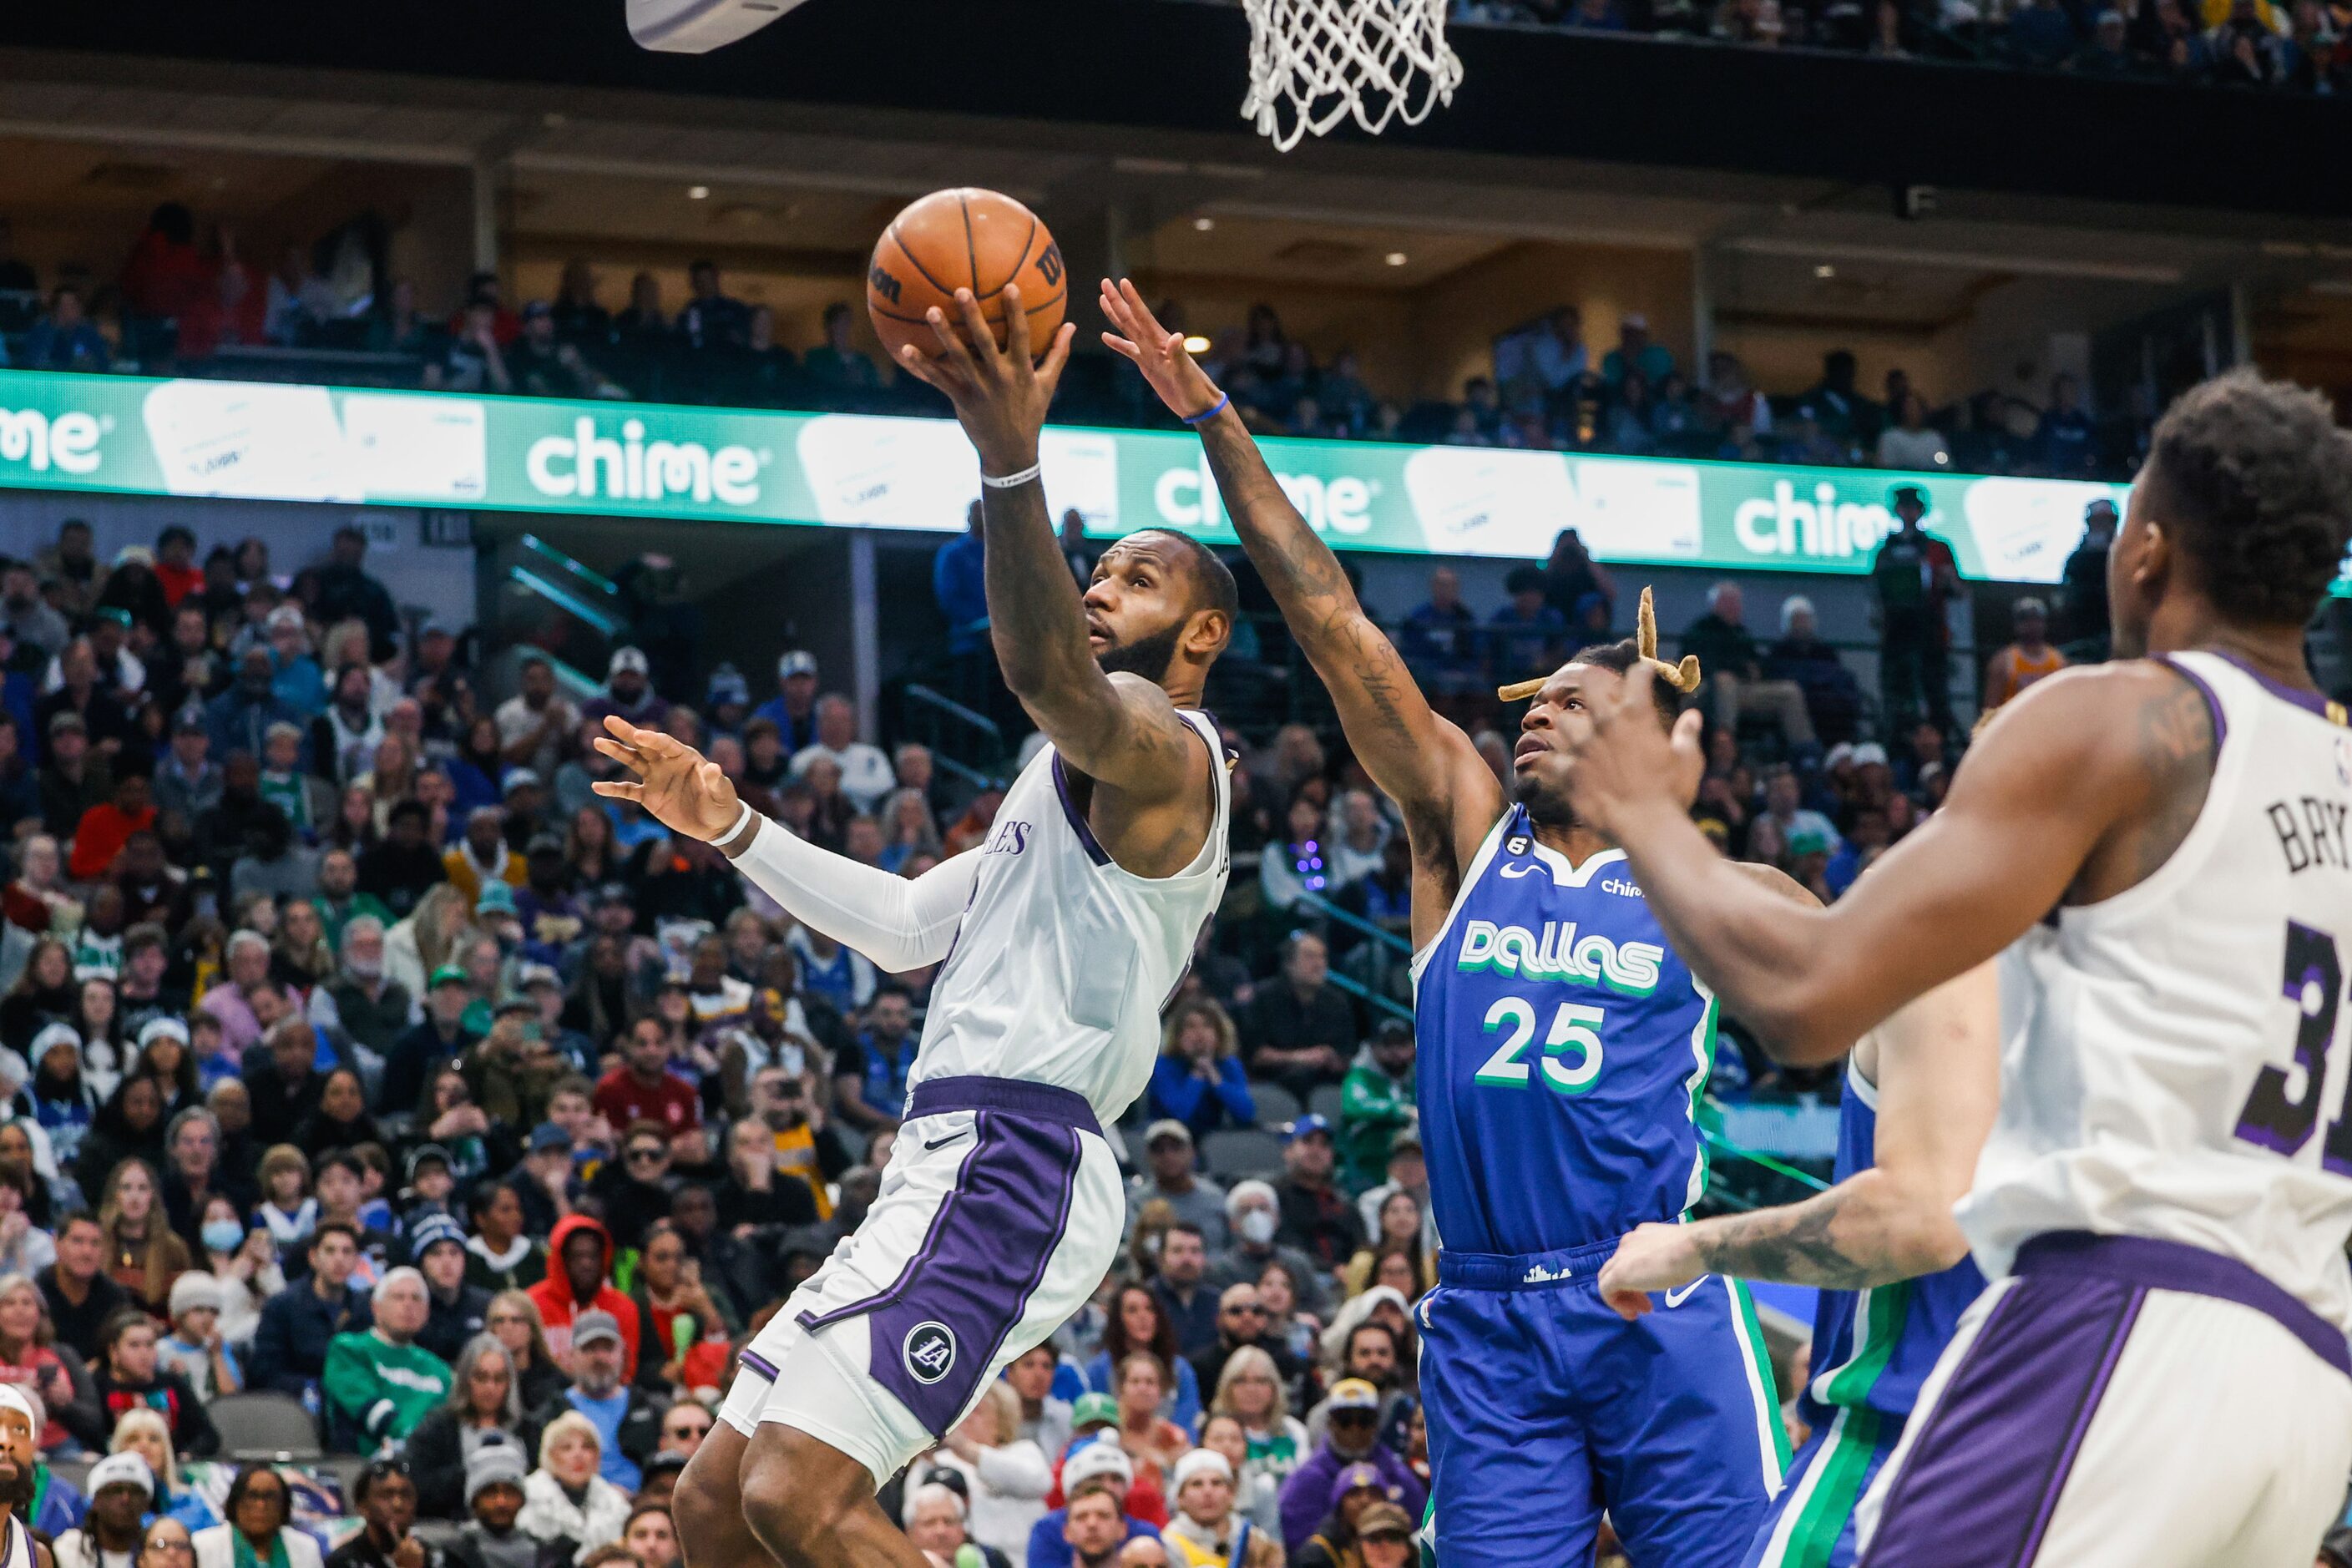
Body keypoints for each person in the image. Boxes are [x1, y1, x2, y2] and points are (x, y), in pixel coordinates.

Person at [1554, 368, 2352, 1565]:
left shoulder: (2120, 717)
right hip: (2308, 1387)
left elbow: (1807, 998)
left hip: (2124, 1319)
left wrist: (1644, 809)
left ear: (2142, 550)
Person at [1105, 284, 1787, 1566]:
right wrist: (1212, 419)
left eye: (1573, 704)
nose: (1533, 713)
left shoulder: (1714, 883)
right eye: (1531, 699)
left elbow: (1867, 990)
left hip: (1657, 1288)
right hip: (1485, 1312)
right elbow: (1331, 622)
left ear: (1648, 733)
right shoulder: (1467, 835)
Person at [606, 281, 1236, 1568]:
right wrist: (733, 825)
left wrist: (1010, 461)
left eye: (1139, 576)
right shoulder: (1052, 783)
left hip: (1020, 1151)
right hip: (944, 1151)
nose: (1107, 587)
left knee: (799, 1491)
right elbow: (900, 925)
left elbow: (1049, 670)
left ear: (1205, 633)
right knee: (716, 1505)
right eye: (1099, 568)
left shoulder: (1172, 759)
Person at [1594, 964, 1997, 1566]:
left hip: (1909, 1456)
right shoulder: (2143, 999)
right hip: (2079, 1442)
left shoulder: (1955, 969)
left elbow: (1916, 1221)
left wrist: (1693, 1246)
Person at [518, 1311, 659, 1495]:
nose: (599, 1358)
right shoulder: (551, 1414)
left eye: (607, 1348)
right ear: (571, 1356)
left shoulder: (648, 1408)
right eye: (589, 1349)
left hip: (642, 1508)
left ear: (622, 1354)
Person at [323, 1267, 453, 1450]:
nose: (408, 1305)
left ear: (426, 1311)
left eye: (416, 1298)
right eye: (398, 1297)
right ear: (375, 1307)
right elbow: (369, 1411)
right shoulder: (348, 1350)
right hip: (365, 1466)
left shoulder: (440, 1370)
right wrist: (418, 1440)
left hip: (429, 1466)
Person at [1869, 484, 1962, 736]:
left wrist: (1946, 580)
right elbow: (1877, 594)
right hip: (1896, 635)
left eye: (1915, 508)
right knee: (1898, 698)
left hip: (1930, 634)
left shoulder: (1938, 549)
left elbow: (1958, 590)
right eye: (1905, 508)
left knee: (1936, 696)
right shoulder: (1886, 551)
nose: (1910, 513)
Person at [245, 1222, 371, 1399]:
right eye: (330, 1251)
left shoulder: (365, 1309)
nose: (339, 1259)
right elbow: (264, 1372)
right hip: (297, 1407)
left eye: (347, 1251)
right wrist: (312, 1389)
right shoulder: (282, 1306)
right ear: (313, 1257)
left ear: (357, 1260)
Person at [407, 1335, 524, 1522]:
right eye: (481, 1377)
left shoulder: (527, 1428)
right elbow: (417, 1488)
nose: (490, 1387)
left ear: (510, 1383)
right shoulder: (438, 1427)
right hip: (455, 1529)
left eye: (499, 1379)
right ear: (465, 1379)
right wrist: (468, 1472)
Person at [91, 1306, 219, 1459]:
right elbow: (92, 1438)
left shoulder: (172, 1383)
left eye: (150, 1345)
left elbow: (207, 1435)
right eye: (134, 1345)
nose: (144, 1354)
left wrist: (189, 1455)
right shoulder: (98, 1386)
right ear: (113, 1351)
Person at [516, 1412, 631, 1563]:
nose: (578, 1455)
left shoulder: (615, 1503)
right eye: (567, 1448)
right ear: (550, 1455)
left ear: (597, 1456)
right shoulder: (527, 1496)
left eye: (587, 1447)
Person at [1029, 1447, 1159, 1568]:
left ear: (1122, 1528)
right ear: (1066, 1531)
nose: (1092, 1524)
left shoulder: (1146, 1535)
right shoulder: (1047, 1529)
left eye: (1103, 1516)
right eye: (1081, 1517)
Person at [1146, 1004, 1253, 1148]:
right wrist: (1197, 1075)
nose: (1199, 1034)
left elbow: (1246, 1114)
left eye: (1207, 1026)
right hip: (1168, 1143)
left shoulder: (1228, 1065)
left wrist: (1215, 1078)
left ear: (1219, 1034)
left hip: (1213, 1141)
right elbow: (1179, 1115)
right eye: (1190, 1026)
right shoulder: (1163, 1066)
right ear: (1177, 1035)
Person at [1333, 1020, 1414, 1194]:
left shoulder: (1417, 1076)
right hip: (1364, 1165)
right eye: (1387, 1045)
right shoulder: (1360, 1075)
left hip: (1407, 1163)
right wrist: (1401, 1111)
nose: (1395, 1053)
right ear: (1374, 1047)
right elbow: (1354, 1105)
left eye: (1401, 1045)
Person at [1156, 1448, 1271, 1568]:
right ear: (1180, 1497)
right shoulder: (1167, 1545)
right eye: (1197, 1484)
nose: (1208, 1491)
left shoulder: (1253, 1538)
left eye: (1216, 1483)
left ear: (1231, 1493)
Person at [193, 1466, 326, 1568]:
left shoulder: (307, 1548)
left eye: (270, 1497)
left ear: (284, 1505)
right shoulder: (203, 1545)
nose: (261, 1505)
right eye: (252, 1496)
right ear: (235, 1502)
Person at [109, 1408, 217, 1532]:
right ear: (119, 1449)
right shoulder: (102, 1504)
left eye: (154, 1439)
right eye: (133, 1439)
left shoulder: (193, 1503)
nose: (144, 1445)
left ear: (166, 1451)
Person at [325, 1461, 442, 1568]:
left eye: (406, 1495)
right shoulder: (342, 1562)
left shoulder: (435, 1557)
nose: (398, 1504)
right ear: (362, 1506)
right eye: (386, 1495)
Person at [443, 1440, 533, 1568]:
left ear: (522, 1500)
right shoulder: (454, 1551)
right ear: (474, 1500)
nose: (501, 1502)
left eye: (509, 1492)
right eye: (490, 1493)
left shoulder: (546, 1552)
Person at [55, 1450, 150, 1568]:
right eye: (115, 1491)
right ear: (95, 1501)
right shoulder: (68, 1549)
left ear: (146, 1504)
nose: (125, 1499)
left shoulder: (156, 1550)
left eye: (135, 1491)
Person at [1982, 595, 2068, 711]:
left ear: (2044, 623)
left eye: (2036, 619)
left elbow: (2065, 702)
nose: (2031, 624)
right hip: (2015, 725)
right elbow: (1990, 708)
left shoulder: (2058, 661)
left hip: (2048, 725)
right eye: (2025, 619)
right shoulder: (2003, 662)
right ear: (2016, 624)